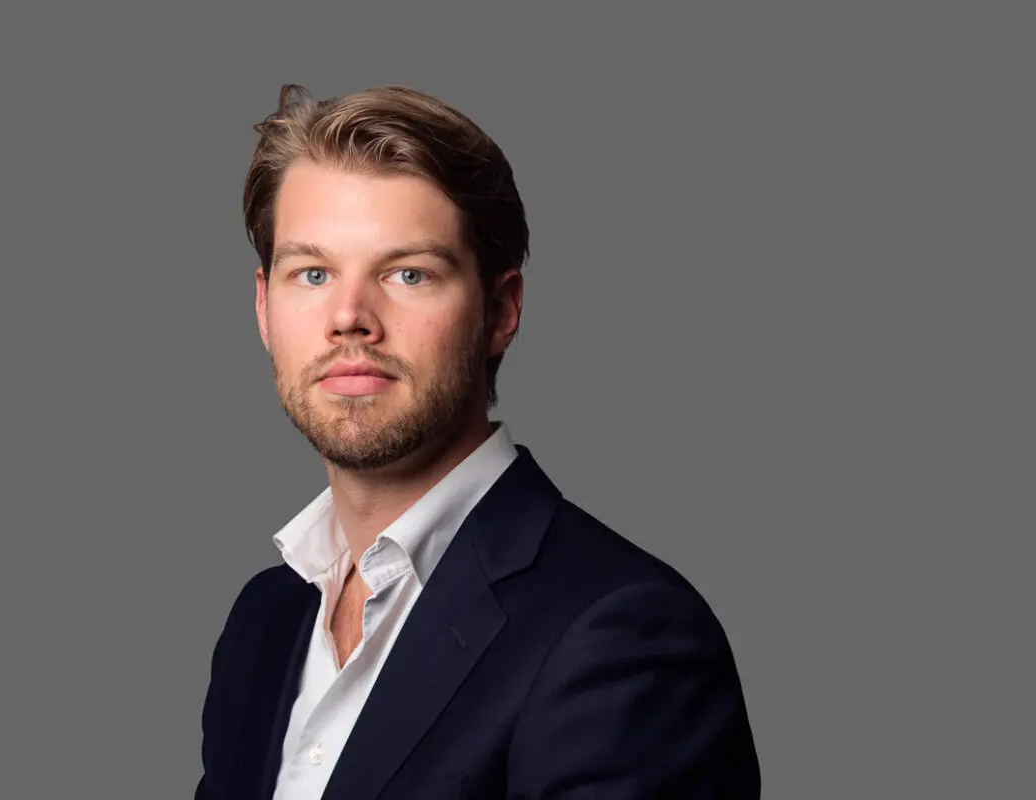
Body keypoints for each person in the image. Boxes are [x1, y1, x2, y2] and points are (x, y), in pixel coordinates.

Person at [195, 83, 760, 800]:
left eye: (408, 273)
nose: (348, 316)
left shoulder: (622, 632)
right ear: (263, 307)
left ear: (500, 311)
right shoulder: (264, 623)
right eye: (312, 273)